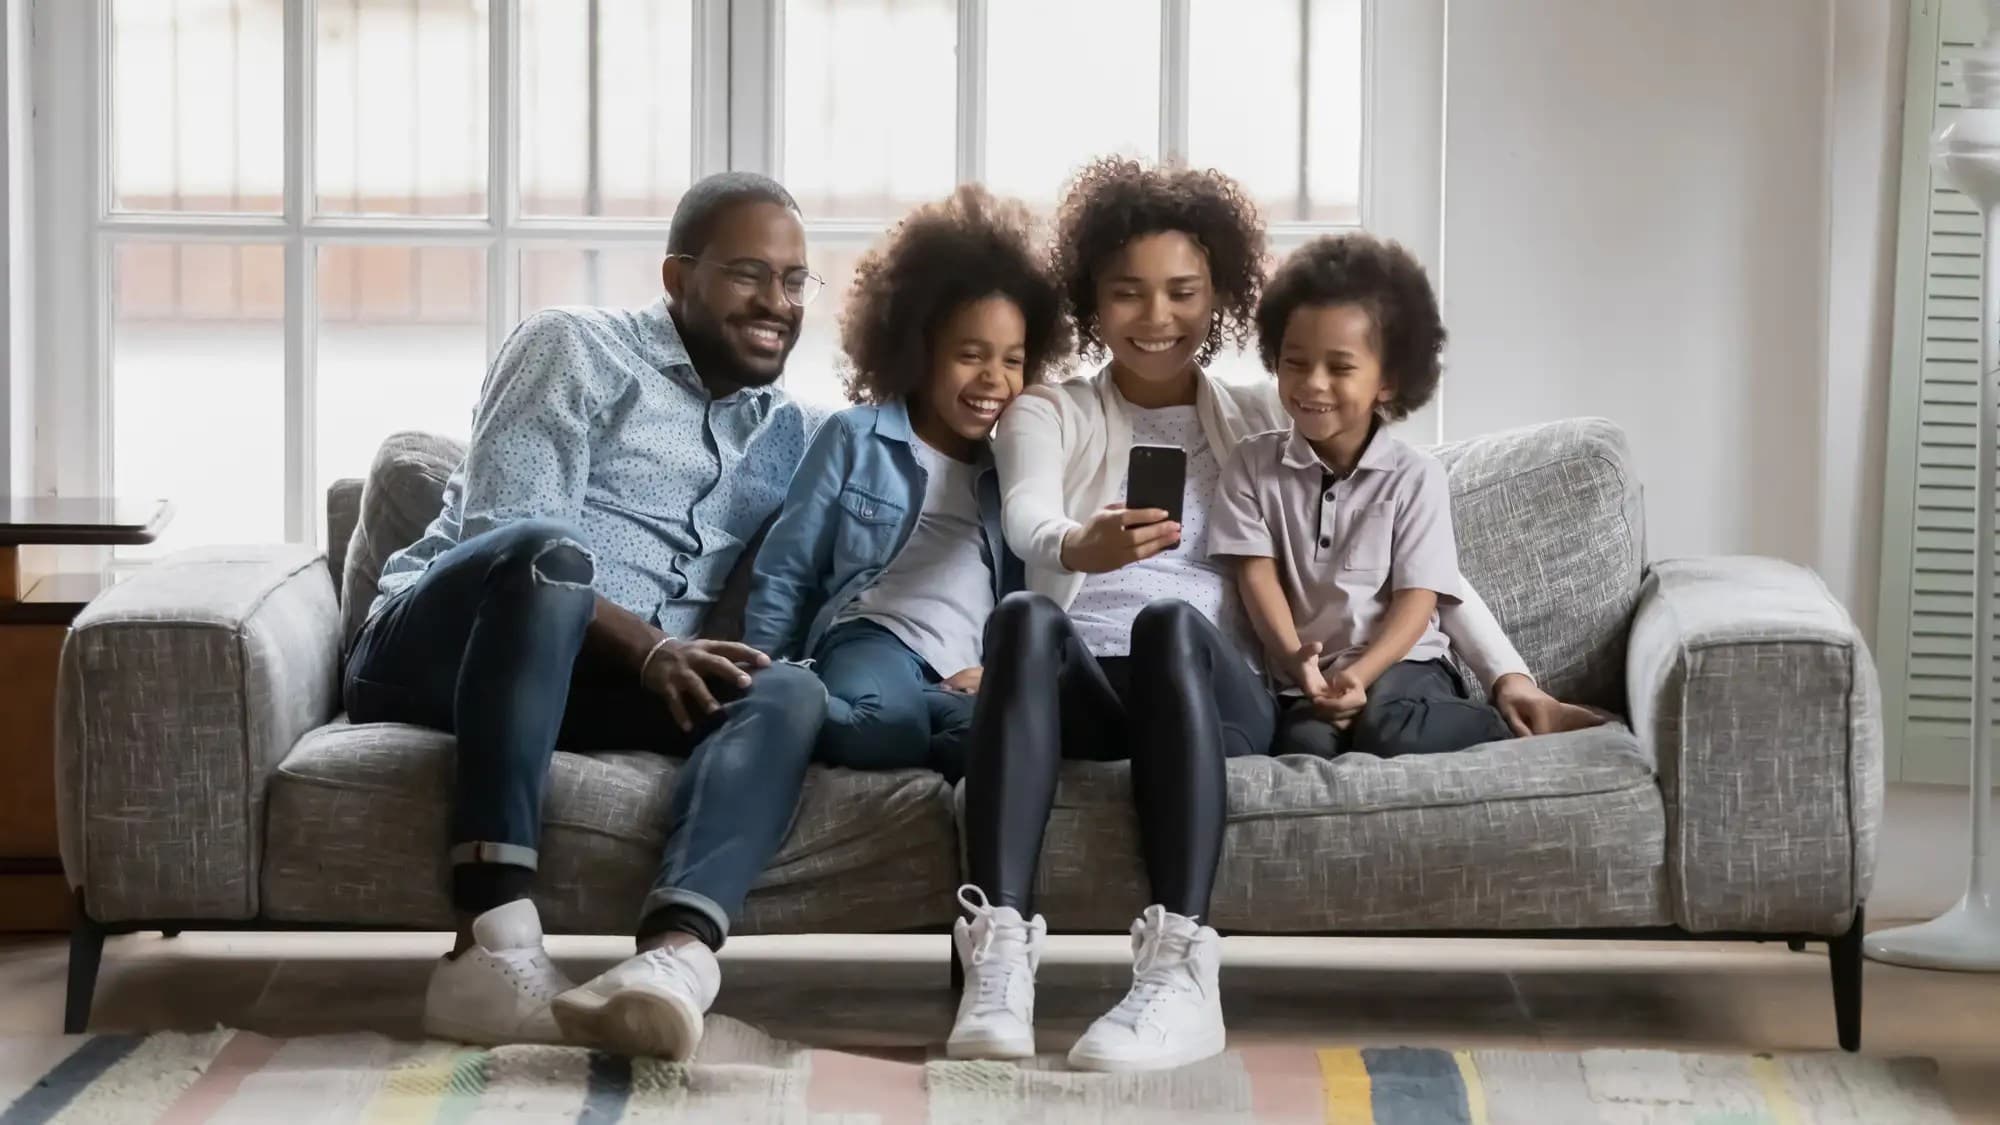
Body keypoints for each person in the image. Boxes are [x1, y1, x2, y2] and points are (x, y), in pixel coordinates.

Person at [947, 158, 1602, 1073]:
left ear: (1220, 297)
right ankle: (1002, 954)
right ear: (1091, 298)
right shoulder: (1047, 411)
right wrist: (1074, 545)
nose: (1156, 317)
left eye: (1182, 292)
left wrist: (1508, 674)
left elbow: (1425, 563)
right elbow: (1025, 514)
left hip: (1215, 698)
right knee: (1022, 617)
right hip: (1089, 689)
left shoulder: (1265, 418)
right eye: (1127, 293)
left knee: (1170, 621)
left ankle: (1180, 968)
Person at [342, 172, 828, 1061]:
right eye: (749, 273)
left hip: (588, 684)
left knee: (787, 688)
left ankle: (675, 960)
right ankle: (486, 948)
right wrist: (651, 650)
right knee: (548, 556)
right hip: (441, 649)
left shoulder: (791, 433)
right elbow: (505, 537)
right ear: (678, 277)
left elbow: (905, 475)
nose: (777, 302)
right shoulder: (576, 346)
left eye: (796, 280)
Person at [742, 186, 1068, 781]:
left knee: (1000, 742)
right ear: (920, 350)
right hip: (872, 639)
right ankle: (802, 698)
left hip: (956, 671)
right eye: (971, 354)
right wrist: (765, 670)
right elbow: (786, 568)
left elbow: (1025, 596)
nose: (993, 379)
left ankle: (916, 725)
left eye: (1013, 360)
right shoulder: (855, 437)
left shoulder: (1011, 477)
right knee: (884, 726)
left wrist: (999, 672)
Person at [1215, 233, 1513, 758]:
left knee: (1388, 729)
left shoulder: (1417, 477)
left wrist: (1360, 673)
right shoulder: (1250, 465)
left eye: (1340, 367)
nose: (1313, 384)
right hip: (1306, 680)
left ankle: (1493, 726)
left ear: (1389, 381)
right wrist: (1299, 664)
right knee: (1301, 748)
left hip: (1404, 667)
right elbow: (1256, 577)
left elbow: (1418, 600)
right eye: (1296, 362)